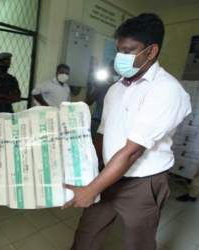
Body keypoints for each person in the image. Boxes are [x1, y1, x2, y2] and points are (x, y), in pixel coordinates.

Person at [62, 13, 191, 250]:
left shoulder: (166, 90)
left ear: (151, 51)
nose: (121, 57)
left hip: (143, 183)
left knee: (137, 244)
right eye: (119, 50)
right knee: (86, 235)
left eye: (129, 51)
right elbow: (102, 133)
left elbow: (132, 152)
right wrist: (86, 166)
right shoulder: (116, 88)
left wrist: (91, 189)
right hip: (108, 175)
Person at [86, 61, 120, 138]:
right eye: (111, 72)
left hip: (114, 125)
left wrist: (113, 86)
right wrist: (98, 87)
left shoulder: (124, 87)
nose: (113, 74)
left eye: (116, 72)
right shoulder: (102, 87)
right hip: (97, 122)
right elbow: (88, 102)